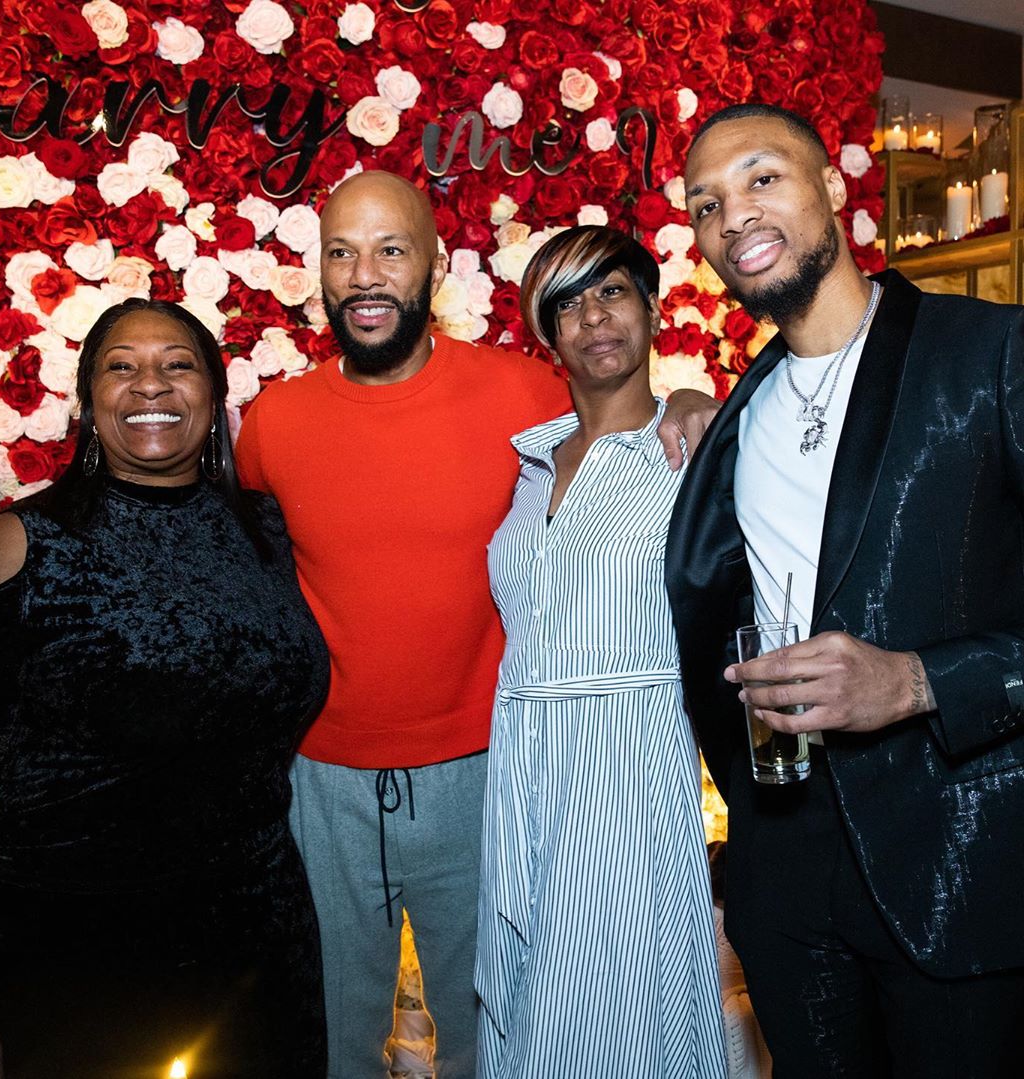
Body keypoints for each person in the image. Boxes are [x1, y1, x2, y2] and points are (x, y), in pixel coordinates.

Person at [234, 170, 719, 1078]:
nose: (365, 274)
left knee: (492, 1026)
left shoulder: (525, 392)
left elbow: (624, 416)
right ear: (318, 272)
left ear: (435, 266)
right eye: (341, 253)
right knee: (329, 1035)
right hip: (323, 781)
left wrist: (692, 401)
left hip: (487, 771)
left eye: (390, 250)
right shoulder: (273, 423)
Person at [668, 102, 1024, 1076]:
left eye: (762, 178)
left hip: (956, 862)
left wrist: (917, 681)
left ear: (832, 186)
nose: (734, 214)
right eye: (706, 204)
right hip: (785, 866)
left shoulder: (990, 352)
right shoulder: (734, 415)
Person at [0, 299, 329, 1078]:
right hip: (80, 956)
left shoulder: (264, 529)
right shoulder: (28, 541)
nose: (150, 384)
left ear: (214, 394)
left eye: (177, 365)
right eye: (122, 367)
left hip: (259, 945)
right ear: (90, 400)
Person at [475, 225, 727, 1077]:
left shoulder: (693, 453)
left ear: (652, 310)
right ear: (547, 335)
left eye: (611, 292)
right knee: (525, 993)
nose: (593, 317)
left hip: (629, 764)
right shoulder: (529, 463)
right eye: (568, 304)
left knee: (615, 1005)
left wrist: (695, 398)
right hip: (522, 762)